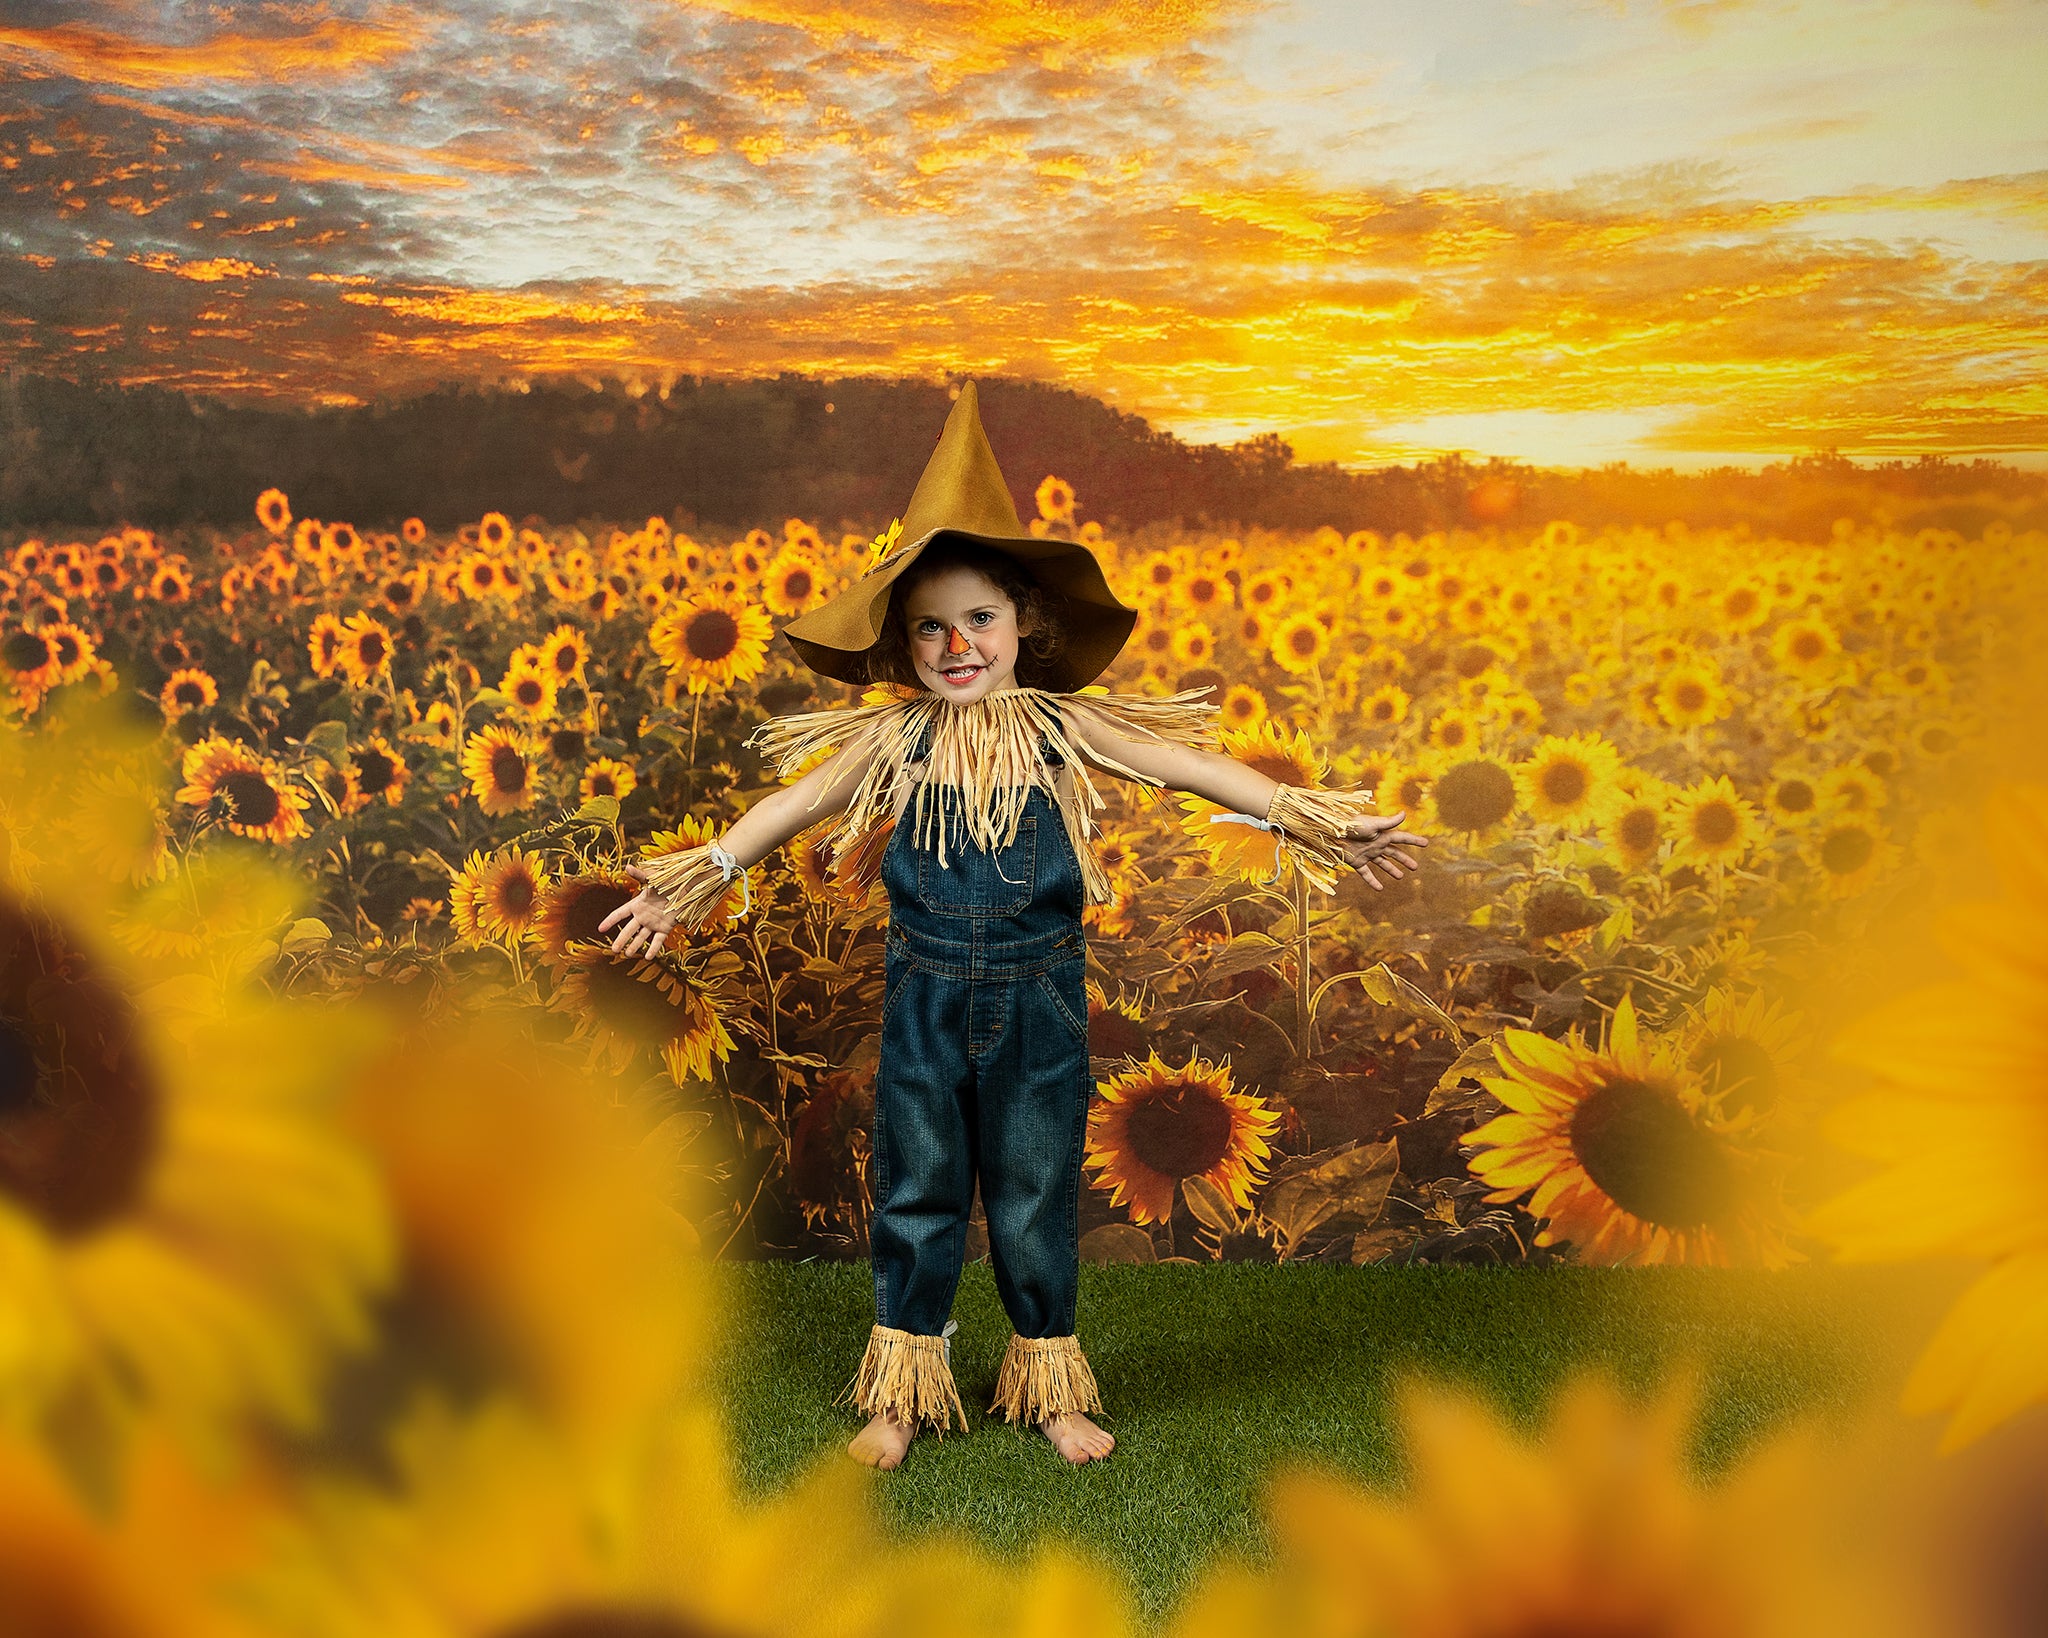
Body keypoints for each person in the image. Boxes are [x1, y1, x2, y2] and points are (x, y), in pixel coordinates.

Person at [599, 382, 1427, 1470]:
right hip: (925, 995)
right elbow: (787, 806)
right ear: (903, 643)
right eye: (931, 626)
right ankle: (902, 1390)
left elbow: (1188, 765)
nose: (957, 644)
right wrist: (696, 875)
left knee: (1037, 1189)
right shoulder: (891, 741)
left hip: (1038, 996)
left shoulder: (1062, 727)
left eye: (979, 619)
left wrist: (1317, 819)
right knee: (918, 1186)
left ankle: (1047, 1383)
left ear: (1023, 626)